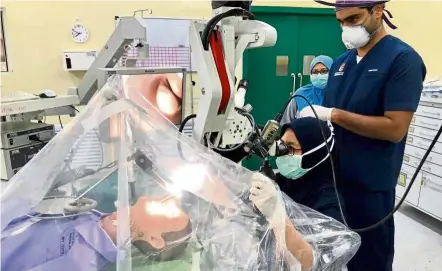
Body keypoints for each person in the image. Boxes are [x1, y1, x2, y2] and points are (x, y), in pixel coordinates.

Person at [301, 1, 427, 270]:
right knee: (335, 253)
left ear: (378, 10)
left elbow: (394, 129)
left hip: (370, 185)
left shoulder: (402, 60)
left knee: (369, 260)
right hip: (333, 179)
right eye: (342, 21)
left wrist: (334, 114)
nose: (347, 27)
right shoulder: (340, 63)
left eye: (353, 18)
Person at [1, 196, 192, 271]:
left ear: (154, 239)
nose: (171, 201)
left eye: (171, 211)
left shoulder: (80, 262)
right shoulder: (93, 213)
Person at [275, 117, 343, 223]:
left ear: (314, 155)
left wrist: (274, 215)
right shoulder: (282, 182)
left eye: (291, 147)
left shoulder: (328, 204)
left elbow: (329, 239)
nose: (283, 153)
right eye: (282, 145)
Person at [281, 55, 334, 125]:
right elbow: (286, 122)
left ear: (333, 71)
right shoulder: (300, 94)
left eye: (324, 71)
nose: (319, 75)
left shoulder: (341, 94)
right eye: (315, 72)